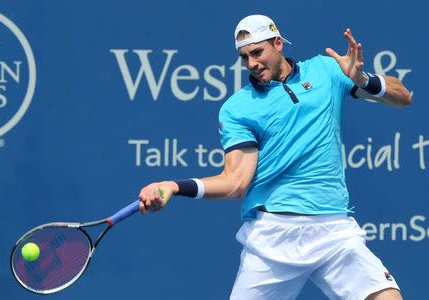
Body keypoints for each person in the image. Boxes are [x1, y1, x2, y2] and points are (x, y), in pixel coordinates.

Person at [137, 14, 411, 300]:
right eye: (244, 57)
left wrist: (362, 79)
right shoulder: (238, 108)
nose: (251, 64)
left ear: (278, 43)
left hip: (334, 229)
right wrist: (174, 186)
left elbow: (403, 97)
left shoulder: (328, 71)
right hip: (273, 237)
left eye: (257, 52)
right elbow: (235, 182)